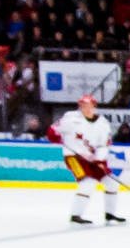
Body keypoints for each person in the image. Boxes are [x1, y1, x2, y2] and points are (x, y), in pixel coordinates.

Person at [51, 93, 121, 225]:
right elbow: (53, 130)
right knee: (87, 183)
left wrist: (99, 160)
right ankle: (76, 216)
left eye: (88, 105)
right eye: (82, 105)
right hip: (74, 157)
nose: (85, 108)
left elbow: (104, 144)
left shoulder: (103, 123)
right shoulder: (70, 118)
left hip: (94, 158)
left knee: (111, 182)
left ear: (94, 106)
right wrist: (54, 135)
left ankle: (110, 214)